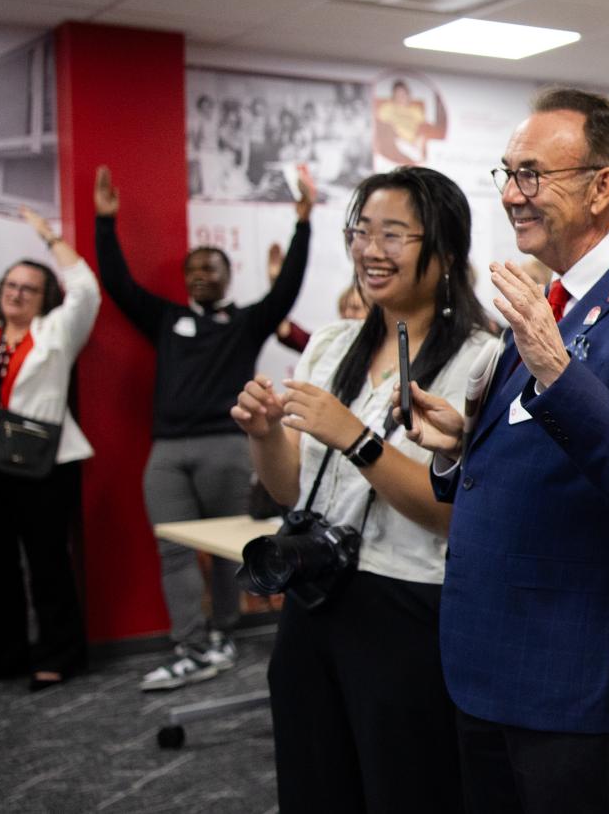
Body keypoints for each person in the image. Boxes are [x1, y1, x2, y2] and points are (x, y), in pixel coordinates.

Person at [405, 87, 609, 814]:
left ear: (603, 186)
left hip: (579, 680)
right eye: (507, 173)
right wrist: (457, 449)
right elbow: (525, 455)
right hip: (493, 665)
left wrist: (555, 370)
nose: (512, 195)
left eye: (532, 175)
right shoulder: (550, 301)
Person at [231, 165, 493, 813]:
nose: (371, 251)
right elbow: (292, 488)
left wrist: (357, 438)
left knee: (403, 785)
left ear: (446, 250)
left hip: (406, 604)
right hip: (315, 596)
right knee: (313, 778)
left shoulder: (481, 359)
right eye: (361, 231)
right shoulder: (331, 343)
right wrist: (265, 434)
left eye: (394, 234)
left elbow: (451, 515)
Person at [93, 163, 312, 691]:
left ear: (227, 274)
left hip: (227, 448)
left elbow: (285, 291)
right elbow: (119, 285)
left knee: (226, 549)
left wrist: (303, 223)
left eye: (209, 268)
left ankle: (223, 634)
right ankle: (189, 645)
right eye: (193, 269)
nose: (199, 275)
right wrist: (105, 223)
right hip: (167, 451)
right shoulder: (166, 320)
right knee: (173, 550)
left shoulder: (244, 322)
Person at [0, 209, 100, 692]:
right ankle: (9, 652)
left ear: (43, 297)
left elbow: (86, 290)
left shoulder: (57, 331)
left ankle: (60, 654)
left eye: (27, 288)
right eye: (9, 286)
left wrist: (49, 238)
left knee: (47, 562)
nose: (15, 293)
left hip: (43, 465)